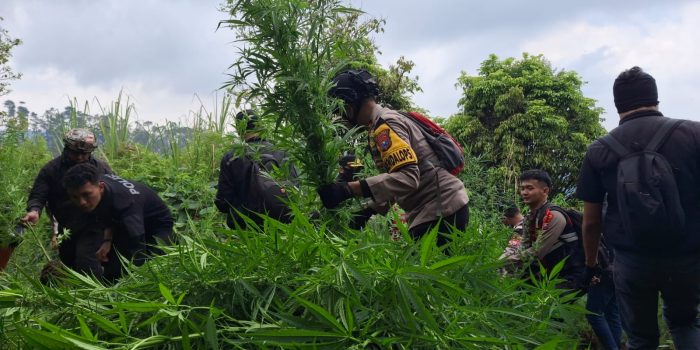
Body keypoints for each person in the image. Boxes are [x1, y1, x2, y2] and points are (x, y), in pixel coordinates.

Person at [577, 66, 700, 349]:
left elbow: (591, 221)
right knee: (685, 323)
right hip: (687, 254)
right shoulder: (694, 134)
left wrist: (591, 264)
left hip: (632, 260)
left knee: (640, 338)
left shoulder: (599, 150)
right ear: (655, 98)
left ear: (617, 104)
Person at [318, 69, 469, 248]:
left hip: (439, 209)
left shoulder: (385, 126)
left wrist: (347, 190)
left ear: (350, 107)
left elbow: (408, 178)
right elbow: (398, 181)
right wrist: (369, 210)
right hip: (442, 207)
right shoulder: (384, 122)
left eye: (342, 111)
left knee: (416, 272)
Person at [20, 128, 113, 277]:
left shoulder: (100, 168)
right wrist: (34, 211)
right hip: (67, 227)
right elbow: (38, 195)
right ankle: (75, 297)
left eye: (85, 154)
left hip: (95, 223)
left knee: (87, 261)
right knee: (69, 263)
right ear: (67, 148)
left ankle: (97, 297)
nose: (80, 157)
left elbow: (115, 190)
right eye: (76, 153)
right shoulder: (51, 169)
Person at [62, 163, 173, 281]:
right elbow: (107, 215)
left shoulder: (124, 202)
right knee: (110, 267)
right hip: (123, 221)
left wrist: (134, 279)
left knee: (154, 266)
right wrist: (107, 240)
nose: (82, 202)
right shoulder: (96, 187)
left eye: (86, 195)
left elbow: (137, 247)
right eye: (75, 197)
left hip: (157, 226)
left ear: (101, 187)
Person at [215, 110, 298, 229]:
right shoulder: (282, 152)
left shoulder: (231, 158)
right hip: (284, 224)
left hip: (247, 227)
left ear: (239, 130)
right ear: (260, 127)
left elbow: (223, 202)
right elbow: (295, 189)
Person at [518, 170, 585, 290]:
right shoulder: (530, 217)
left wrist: (507, 261)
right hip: (550, 275)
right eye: (522, 188)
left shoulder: (554, 215)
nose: (524, 192)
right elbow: (524, 246)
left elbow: (537, 251)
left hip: (570, 276)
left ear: (545, 191)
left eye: (529, 188)